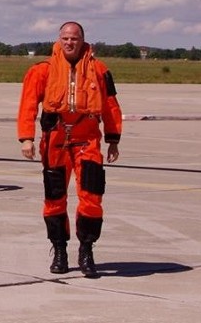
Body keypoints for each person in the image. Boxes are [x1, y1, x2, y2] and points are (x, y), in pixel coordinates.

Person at [17, 21, 122, 278]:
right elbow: (28, 104)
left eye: (74, 38)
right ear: (59, 39)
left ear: (82, 40)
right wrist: (26, 138)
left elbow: (110, 105)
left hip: (88, 141)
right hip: (56, 141)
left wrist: (113, 138)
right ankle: (60, 249)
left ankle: (86, 250)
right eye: (65, 38)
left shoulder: (99, 69)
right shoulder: (43, 70)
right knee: (54, 199)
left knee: (92, 199)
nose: (69, 42)